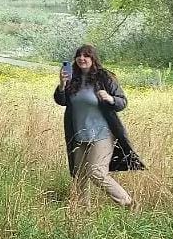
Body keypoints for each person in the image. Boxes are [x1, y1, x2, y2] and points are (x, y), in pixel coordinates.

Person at [53, 45, 143, 208]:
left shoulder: (105, 77)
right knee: (79, 175)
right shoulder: (73, 78)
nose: (82, 59)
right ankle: (81, 212)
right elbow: (62, 101)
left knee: (96, 171)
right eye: (79, 56)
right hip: (79, 135)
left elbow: (122, 101)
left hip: (102, 134)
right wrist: (62, 84)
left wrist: (110, 98)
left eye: (86, 56)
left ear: (93, 59)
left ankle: (128, 203)